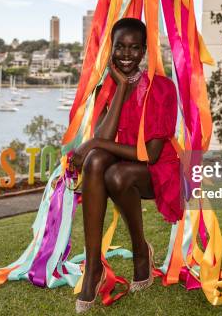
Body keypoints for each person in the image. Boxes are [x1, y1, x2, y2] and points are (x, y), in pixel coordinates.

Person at [71, 18, 182, 312]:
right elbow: (105, 137)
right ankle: (93, 266)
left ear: (144, 50)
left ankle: (140, 252)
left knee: (116, 173)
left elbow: (152, 154)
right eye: (120, 46)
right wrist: (119, 88)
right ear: (111, 48)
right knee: (96, 163)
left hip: (157, 169)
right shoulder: (107, 87)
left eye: (134, 48)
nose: (126, 54)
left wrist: (93, 142)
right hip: (123, 159)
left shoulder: (161, 88)